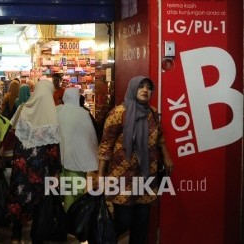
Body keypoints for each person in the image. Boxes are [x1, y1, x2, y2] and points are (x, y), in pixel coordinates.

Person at [97, 76, 174, 244]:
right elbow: (106, 145)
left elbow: (160, 137)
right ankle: (103, 239)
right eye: (141, 86)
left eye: (148, 87)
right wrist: (101, 176)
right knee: (124, 220)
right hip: (122, 176)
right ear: (133, 88)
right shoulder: (119, 113)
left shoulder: (152, 113)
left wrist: (166, 155)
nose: (145, 90)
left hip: (146, 176)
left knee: (142, 222)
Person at [7, 80, 62, 243]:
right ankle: (37, 236)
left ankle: (16, 236)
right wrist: (56, 172)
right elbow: (52, 149)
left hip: (21, 165)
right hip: (40, 168)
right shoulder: (52, 114)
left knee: (19, 198)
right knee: (40, 201)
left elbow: (11, 133)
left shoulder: (22, 109)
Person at [56, 88, 99, 211]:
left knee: (63, 189)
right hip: (78, 160)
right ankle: (71, 219)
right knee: (74, 191)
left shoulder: (58, 111)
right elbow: (90, 137)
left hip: (61, 157)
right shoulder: (83, 114)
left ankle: (64, 216)